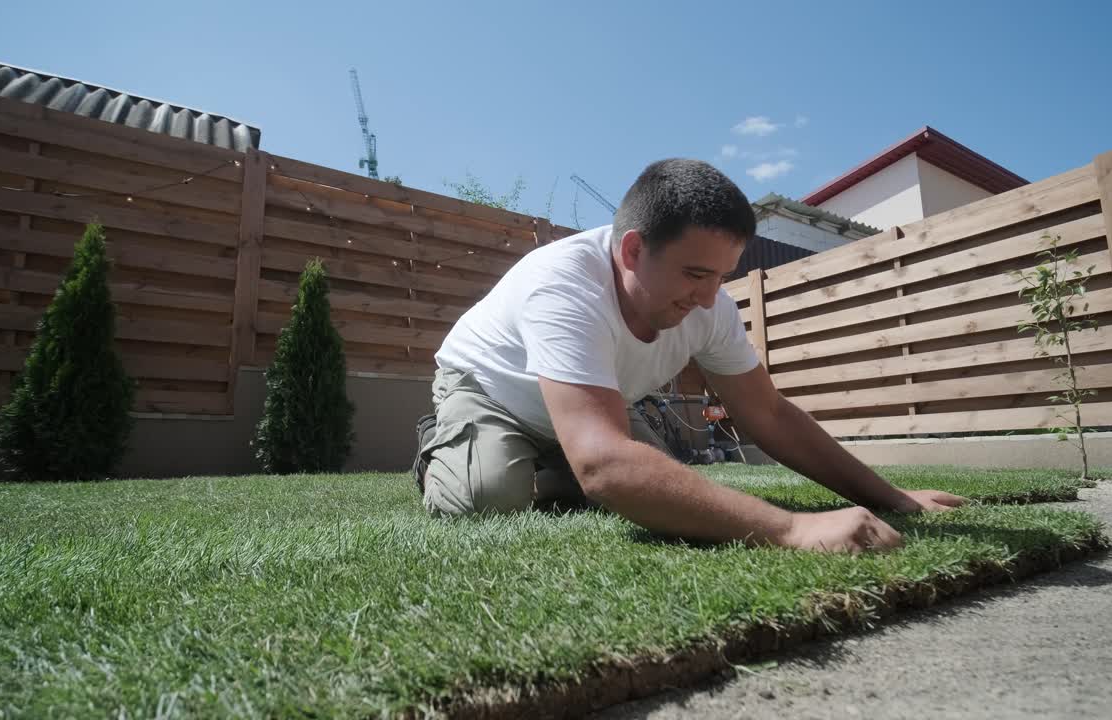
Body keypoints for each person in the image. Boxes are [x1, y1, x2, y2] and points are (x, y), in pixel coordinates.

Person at [412, 159, 964, 553]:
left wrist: (893, 498)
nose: (708, 298)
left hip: (591, 406)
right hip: (489, 391)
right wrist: (793, 529)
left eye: (721, 276)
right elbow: (606, 465)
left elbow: (768, 415)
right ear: (632, 250)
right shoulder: (562, 286)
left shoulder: (710, 304)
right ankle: (449, 445)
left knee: (650, 485)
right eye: (696, 274)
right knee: (488, 500)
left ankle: (558, 462)